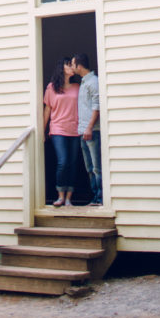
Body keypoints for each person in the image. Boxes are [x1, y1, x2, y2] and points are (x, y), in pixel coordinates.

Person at [43, 56, 80, 207]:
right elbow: (47, 109)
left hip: (76, 130)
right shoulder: (52, 88)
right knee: (63, 162)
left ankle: (69, 199)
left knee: (72, 163)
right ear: (62, 68)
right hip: (58, 129)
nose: (72, 67)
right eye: (68, 65)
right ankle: (60, 196)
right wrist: (42, 130)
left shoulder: (78, 87)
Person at [71, 52, 102, 206]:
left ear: (79, 65)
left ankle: (100, 198)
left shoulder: (93, 82)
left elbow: (97, 107)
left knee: (97, 167)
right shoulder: (83, 82)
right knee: (89, 167)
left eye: (72, 64)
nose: (71, 66)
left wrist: (89, 128)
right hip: (82, 131)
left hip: (92, 131)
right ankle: (94, 197)